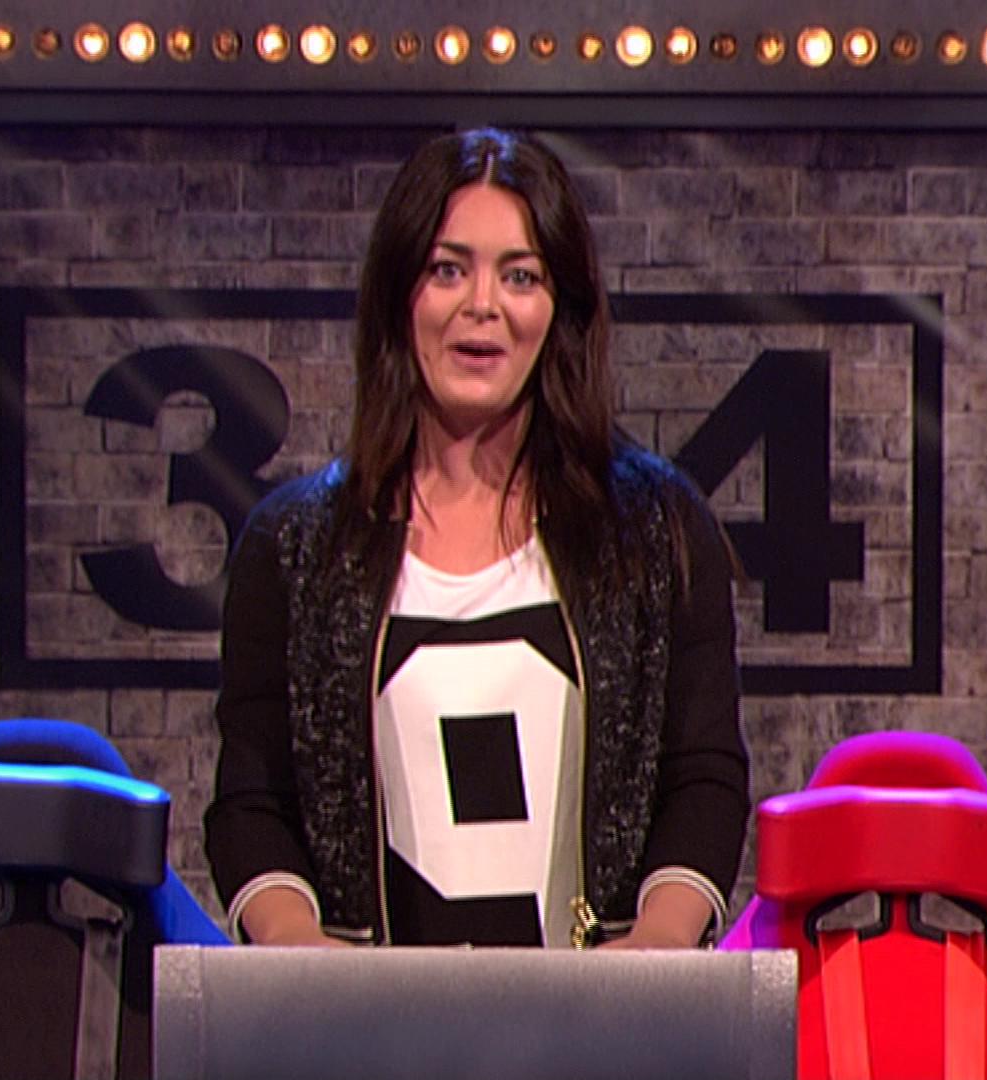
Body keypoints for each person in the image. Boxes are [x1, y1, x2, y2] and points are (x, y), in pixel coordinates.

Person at [204, 127, 748, 950]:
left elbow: (702, 777)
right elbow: (252, 801)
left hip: (597, 1017)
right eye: (447, 269)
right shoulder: (294, 546)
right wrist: (300, 956)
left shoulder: (658, 530)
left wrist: (655, 952)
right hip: (364, 1020)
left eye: (520, 275)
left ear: (560, 307)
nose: (482, 305)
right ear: (400, 294)